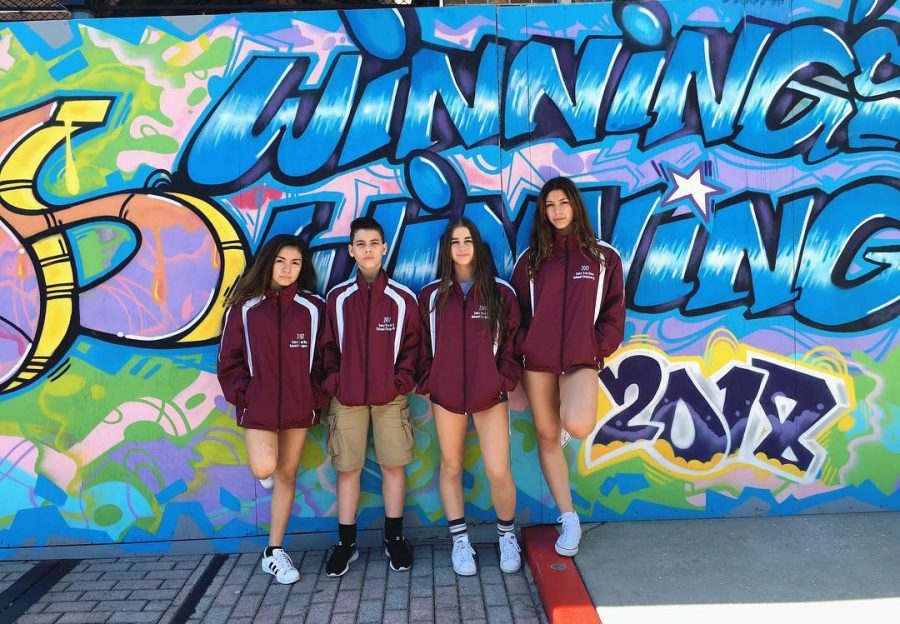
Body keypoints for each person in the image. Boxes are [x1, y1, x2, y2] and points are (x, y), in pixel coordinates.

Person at [511, 176, 625, 557]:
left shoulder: (602, 256)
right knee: (546, 437)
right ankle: (568, 517)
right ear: (543, 212)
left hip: (579, 358)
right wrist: (525, 347)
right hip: (538, 361)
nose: (557, 211)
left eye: (563, 203)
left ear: (575, 205)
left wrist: (596, 346)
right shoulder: (530, 260)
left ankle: (561, 419)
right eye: (549, 205)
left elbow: (614, 310)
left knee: (576, 424)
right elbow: (516, 315)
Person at [217, 234, 326, 584]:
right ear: (268, 262)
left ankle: (274, 552)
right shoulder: (245, 309)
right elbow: (228, 361)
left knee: (287, 474)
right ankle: (265, 464)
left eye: (295, 263)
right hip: (260, 408)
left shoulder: (313, 308)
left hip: (298, 406)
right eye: (281, 261)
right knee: (266, 465)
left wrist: (315, 395)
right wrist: (246, 395)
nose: (287, 269)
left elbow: (327, 359)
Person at [418, 218, 523, 577]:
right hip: (446, 396)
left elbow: (512, 346)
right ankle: (460, 541)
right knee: (450, 465)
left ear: (477, 246)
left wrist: (501, 380)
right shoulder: (431, 296)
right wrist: (430, 382)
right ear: (446, 249)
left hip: (489, 395)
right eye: (454, 241)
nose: (461, 247)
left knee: (497, 469)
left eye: (468, 240)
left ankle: (507, 535)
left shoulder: (501, 293)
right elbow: (420, 347)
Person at [321, 216, 420, 576]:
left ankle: (394, 538)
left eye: (373, 243)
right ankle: (346, 544)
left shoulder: (402, 298)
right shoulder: (337, 298)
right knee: (348, 469)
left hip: (389, 399)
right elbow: (327, 347)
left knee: (394, 465)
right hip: (346, 399)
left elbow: (413, 347)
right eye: (360, 244)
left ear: (383, 248)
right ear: (351, 250)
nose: (367, 250)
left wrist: (399, 382)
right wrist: (336, 382)